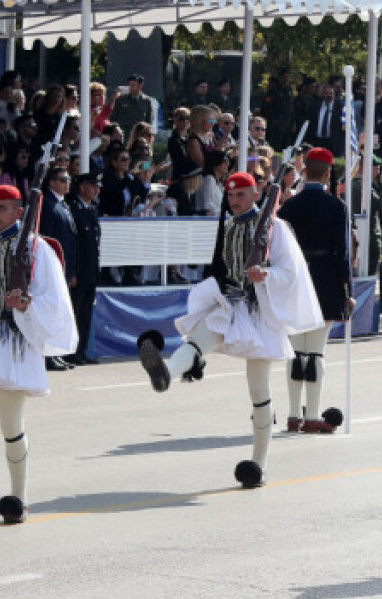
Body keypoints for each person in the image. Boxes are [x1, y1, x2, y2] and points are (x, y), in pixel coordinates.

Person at [136, 172, 323, 488]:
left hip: (261, 313)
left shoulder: (275, 229)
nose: (234, 201)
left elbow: (290, 271)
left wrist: (266, 274)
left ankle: (259, 463)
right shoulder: (229, 227)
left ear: (255, 195)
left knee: (258, 390)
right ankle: (166, 374)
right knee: (199, 337)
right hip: (231, 304)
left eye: (241, 195)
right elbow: (221, 269)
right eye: (231, 196)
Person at [0, 184, 77, 523]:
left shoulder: (37, 249)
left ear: (20, 212)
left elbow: (54, 298)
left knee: (10, 422)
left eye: (2, 208)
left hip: (17, 341)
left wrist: (26, 303)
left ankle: (19, 498)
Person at [277, 148, 353, 434]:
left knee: (296, 351)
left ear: (305, 170)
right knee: (316, 352)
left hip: (295, 280)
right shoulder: (336, 206)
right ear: (328, 172)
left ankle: (293, 414)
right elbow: (342, 253)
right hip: (325, 280)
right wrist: (346, 289)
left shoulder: (289, 207)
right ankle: (311, 416)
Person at [39, 167, 78, 370]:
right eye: (63, 180)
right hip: (53, 267)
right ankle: (48, 355)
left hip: (64, 267)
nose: (67, 183)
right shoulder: (47, 204)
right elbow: (46, 239)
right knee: (51, 313)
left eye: (68, 179)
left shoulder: (62, 204)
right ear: (52, 182)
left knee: (60, 313)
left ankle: (56, 353)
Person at [67, 172, 101, 365]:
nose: (96, 190)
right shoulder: (74, 209)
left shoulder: (92, 209)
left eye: (97, 186)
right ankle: (70, 352)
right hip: (79, 272)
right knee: (75, 312)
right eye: (92, 185)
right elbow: (73, 245)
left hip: (90, 271)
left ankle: (81, 352)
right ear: (82, 187)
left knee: (86, 314)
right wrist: (72, 272)